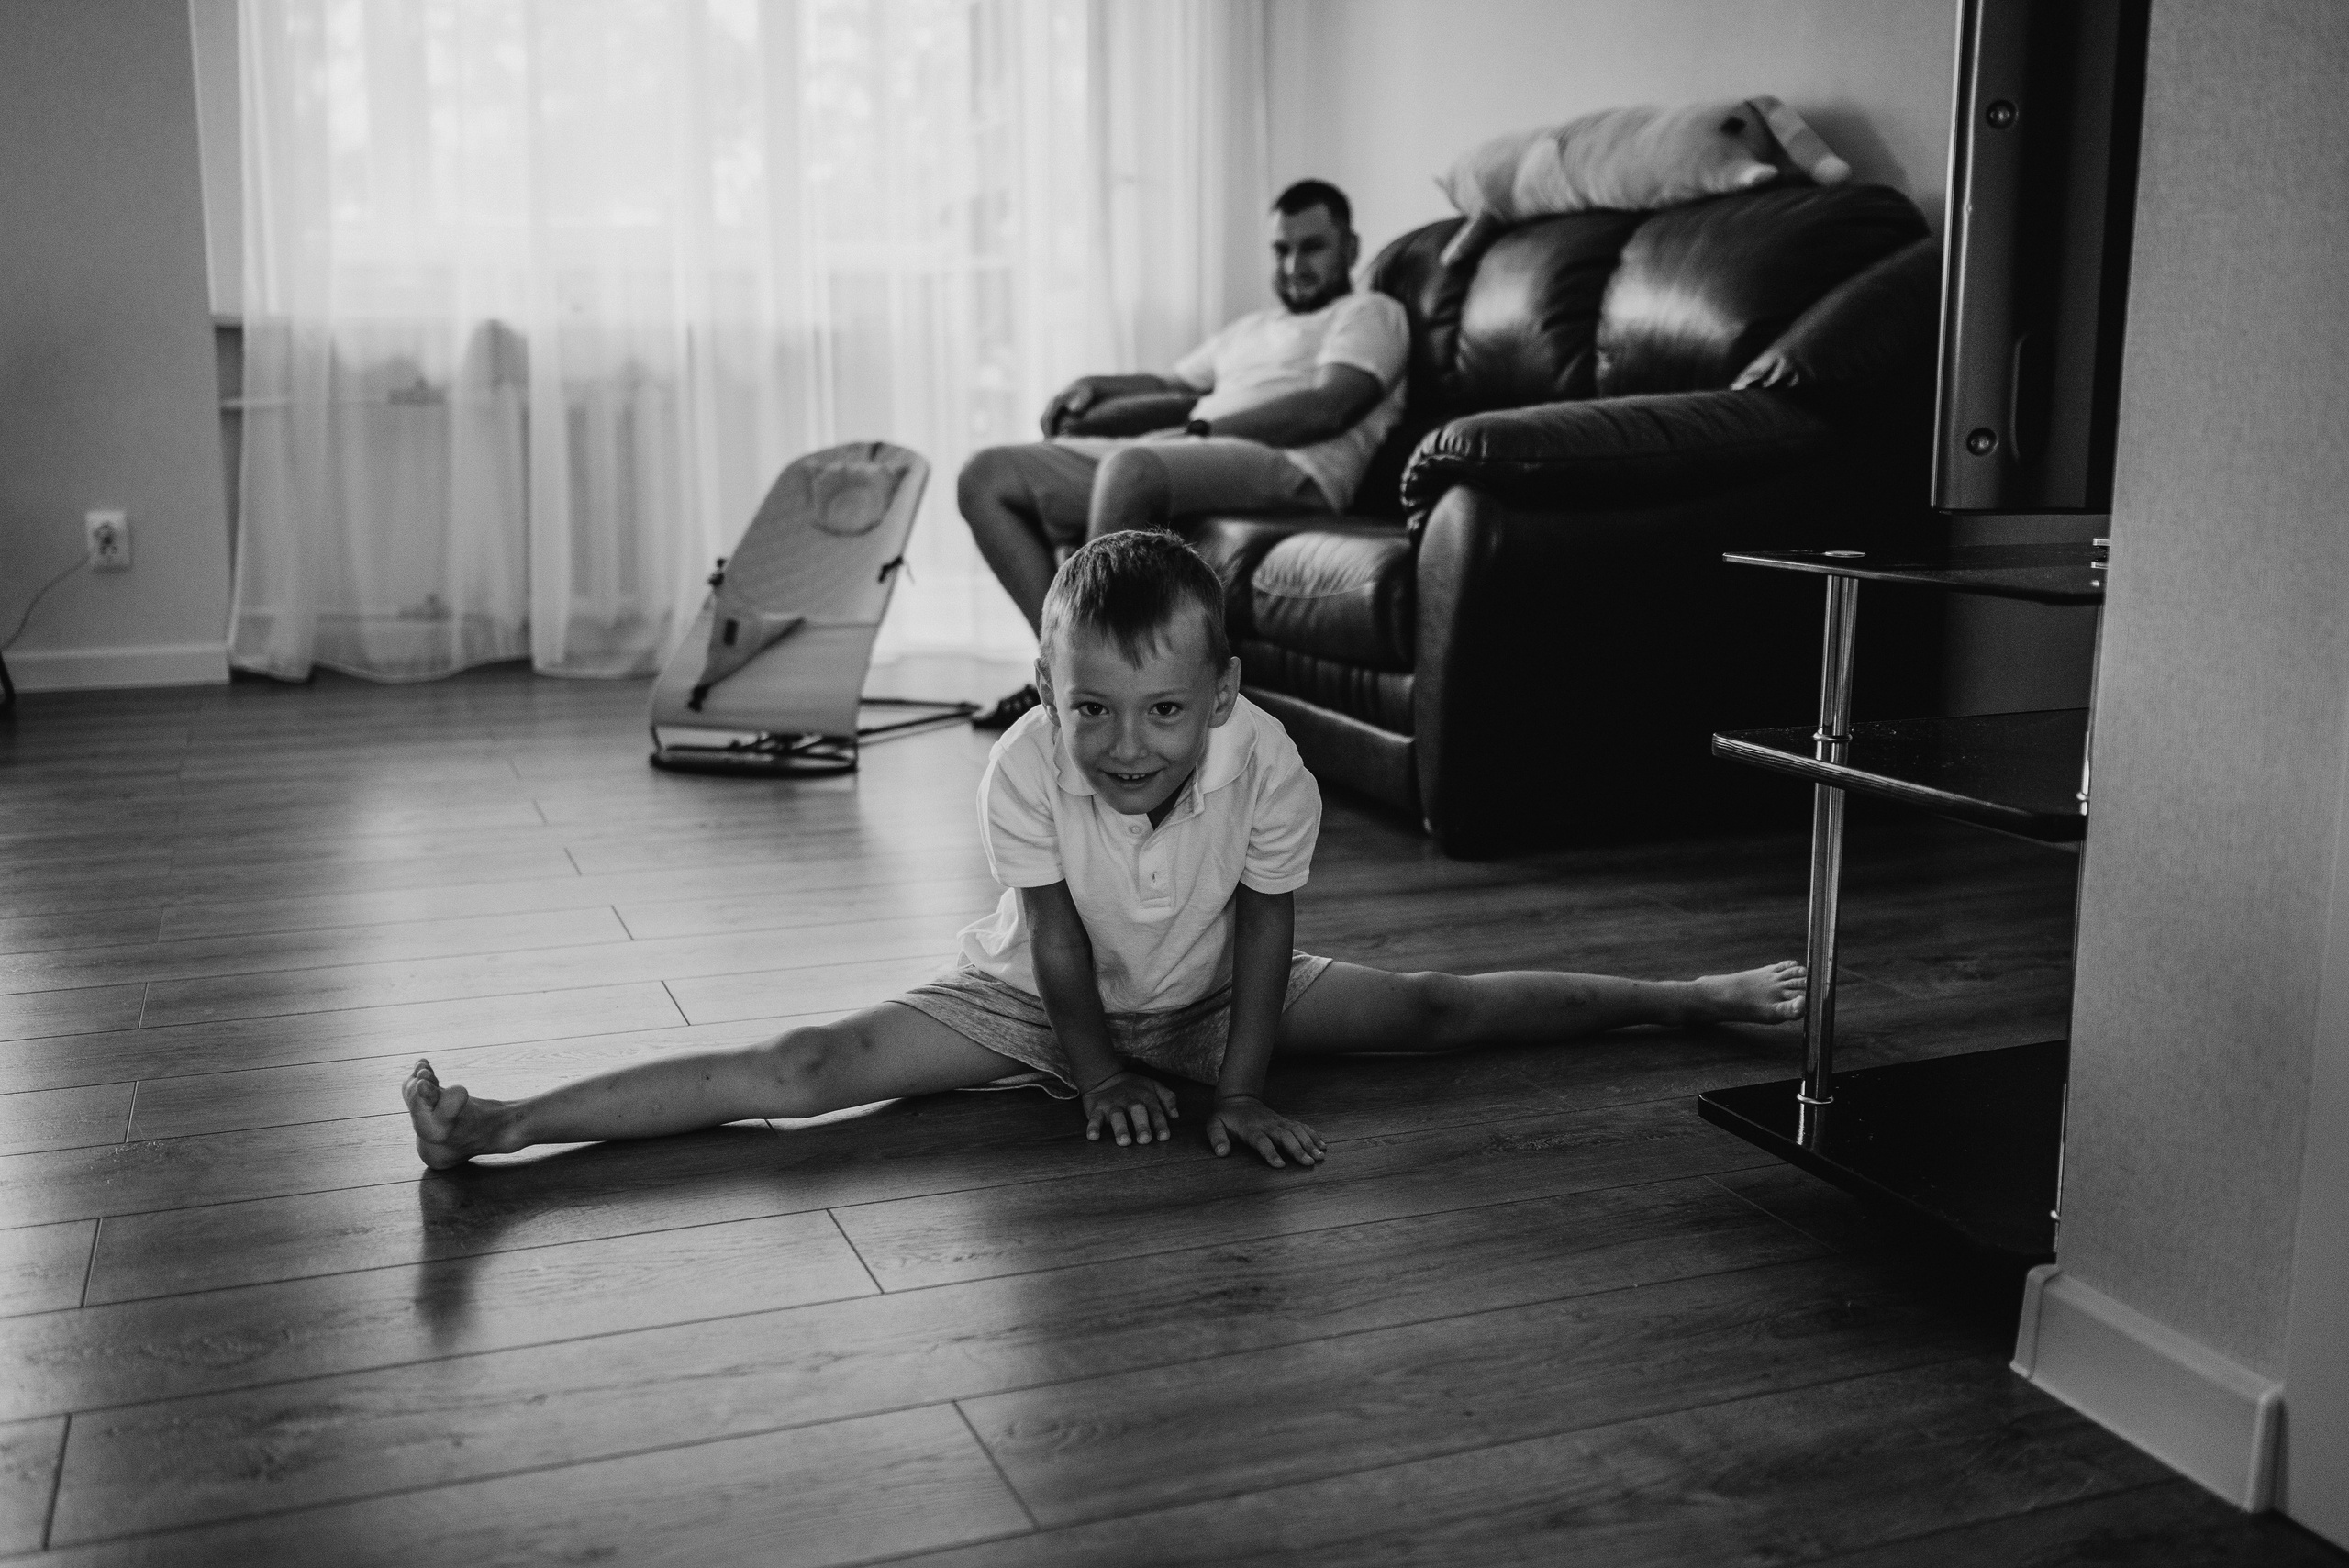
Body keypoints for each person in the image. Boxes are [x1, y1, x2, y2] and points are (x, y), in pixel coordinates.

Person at [402, 532, 1806, 1172]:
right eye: (1091, 707)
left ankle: (1695, 997)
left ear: (1226, 693)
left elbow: (1265, 929)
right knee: (805, 1070)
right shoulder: (1023, 768)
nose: (1126, 745)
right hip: (1028, 1001)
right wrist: (1098, 1076)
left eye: (1163, 712)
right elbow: (1058, 938)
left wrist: (1235, 1089)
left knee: (1434, 1009)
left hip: (1210, 991)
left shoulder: (1264, 760)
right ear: (1045, 685)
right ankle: (508, 1123)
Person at [957, 178, 1409, 731]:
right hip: (1199, 448)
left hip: (1294, 462)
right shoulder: (1253, 328)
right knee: (986, 476)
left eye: (1312, 248)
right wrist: (1092, 386)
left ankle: (1100, 688)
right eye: (1281, 250)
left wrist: (1199, 425)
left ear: (1352, 248)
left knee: (1129, 468)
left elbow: (1329, 407)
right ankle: (1062, 671)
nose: (1294, 267)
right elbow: (1168, 381)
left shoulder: (1371, 313)